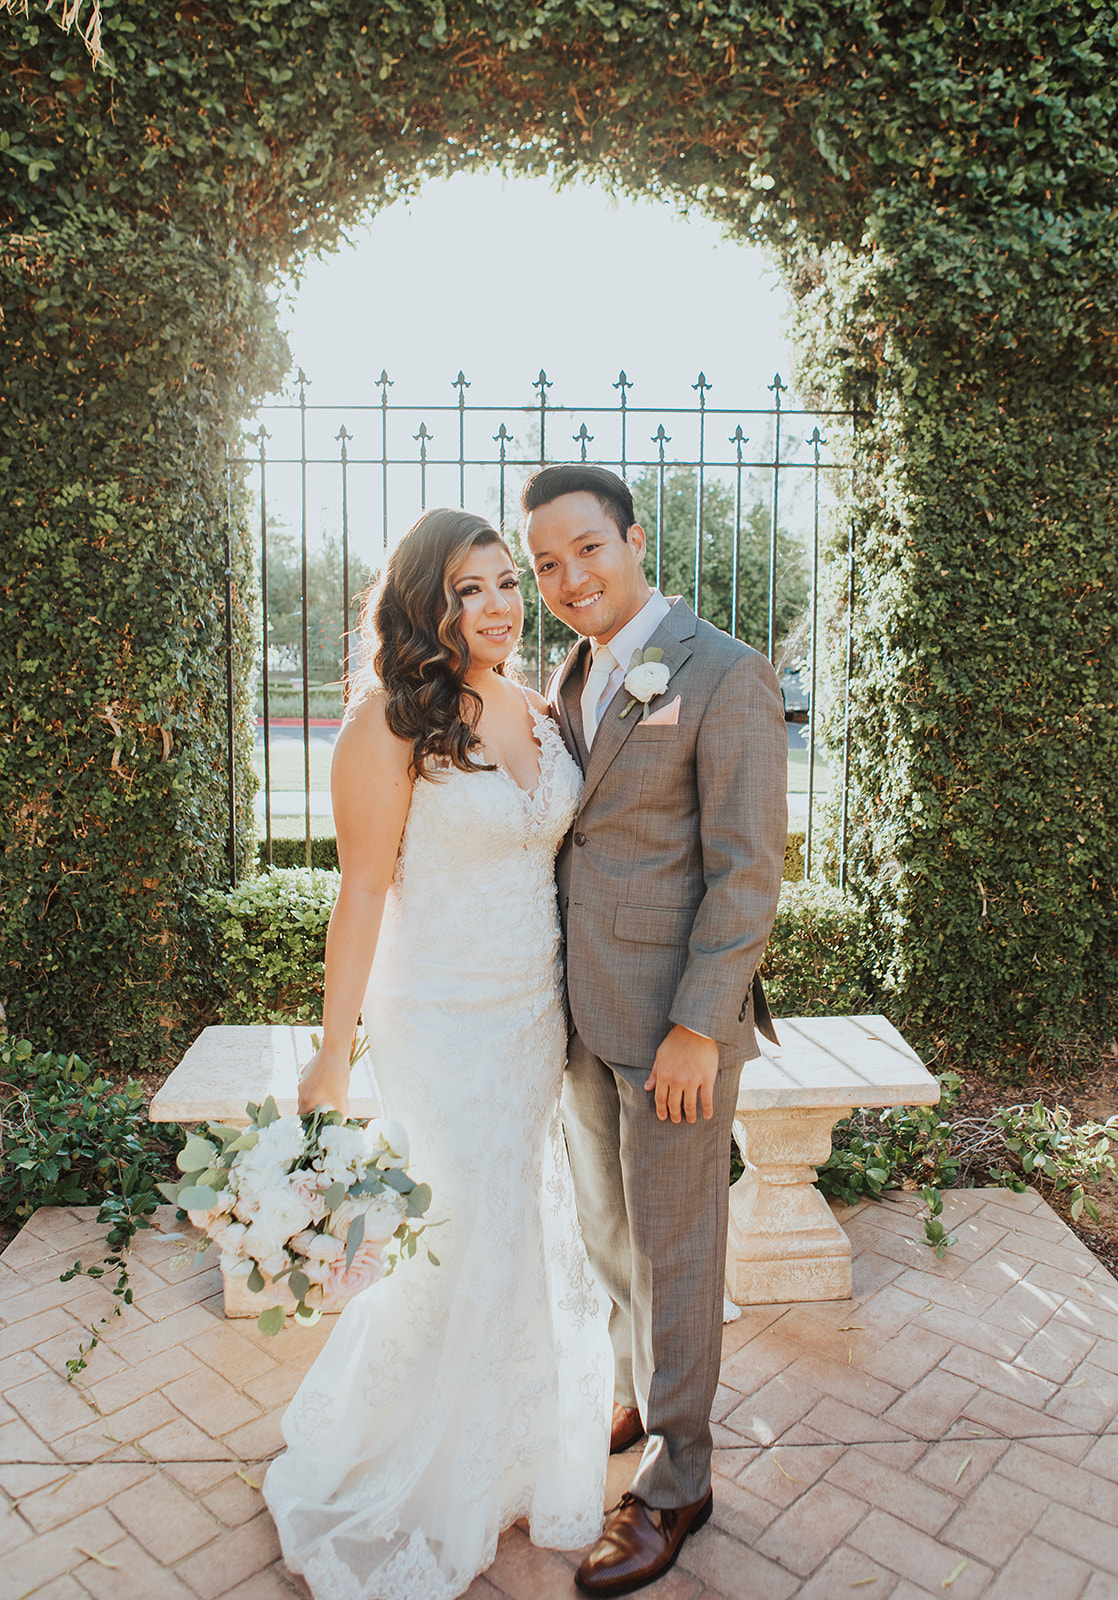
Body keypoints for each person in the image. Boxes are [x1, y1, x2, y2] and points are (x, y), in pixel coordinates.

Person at [264, 508, 611, 1600]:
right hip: (440, 1020)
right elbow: (360, 894)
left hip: (527, 1023)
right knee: (456, 1234)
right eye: (472, 588)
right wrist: (332, 1054)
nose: (503, 604)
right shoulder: (386, 723)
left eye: (510, 582)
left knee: (509, 1227)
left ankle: (500, 1445)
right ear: (426, 600)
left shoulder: (533, 704)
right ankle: (407, 1466)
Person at [523, 464, 787, 1597]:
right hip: (584, 1013)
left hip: (673, 1023)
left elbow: (744, 874)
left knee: (677, 1250)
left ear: (633, 540)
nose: (567, 577)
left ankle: (679, 1480)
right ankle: (641, 1383)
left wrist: (696, 1026)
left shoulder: (723, 674)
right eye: (545, 564)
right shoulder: (571, 669)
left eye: (585, 548)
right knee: (610, 1233)